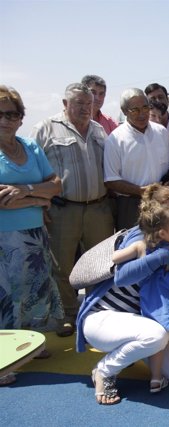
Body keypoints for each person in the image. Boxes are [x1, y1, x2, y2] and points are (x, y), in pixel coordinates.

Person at [76, 184, 169, 405]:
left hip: (136, 320)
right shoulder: (138, 237)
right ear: (159, 215)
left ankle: (127, 353)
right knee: (155, 337)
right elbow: (122, 277)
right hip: (103, 318)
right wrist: (162, 257)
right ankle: (103, 371)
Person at [30, 83, 114, 337]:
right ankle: (67, 313)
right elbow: (31, 169)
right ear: (65, 104)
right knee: (62, 265)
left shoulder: (99, 130)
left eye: (88, 103)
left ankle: (96, 312)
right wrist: (39, 203)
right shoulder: (45, 129)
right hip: (63, 210)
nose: (85, 108)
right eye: (78, 103)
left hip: (98, 208)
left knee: (100, 264)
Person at [0, 85, 63, 386]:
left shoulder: (31, 147)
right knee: (4, 296)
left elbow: (56, 183)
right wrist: (39, 199)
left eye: (11, 114)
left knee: (33, 291)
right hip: (3, 238)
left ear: (21, 118)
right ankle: (3, 361)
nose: (5, 120)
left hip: (34, 234)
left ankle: (28, 345)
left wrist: (26, 192)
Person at [111, 194, 169, 392]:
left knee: (158, 343)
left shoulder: (144, 246)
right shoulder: (147, 242)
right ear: (163, 230)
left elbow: (115, 257)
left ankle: (156, 379)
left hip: (152, 305)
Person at [103, 88, 169, 230]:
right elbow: (111, 180)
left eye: (145, 107)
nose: (142, 114)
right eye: (135, 110)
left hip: (162, 200)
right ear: (124, 112)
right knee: (134, 247)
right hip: (131, 205)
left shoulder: (161, 132)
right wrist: (140, 191)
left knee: (163, 245)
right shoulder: (115, 139)